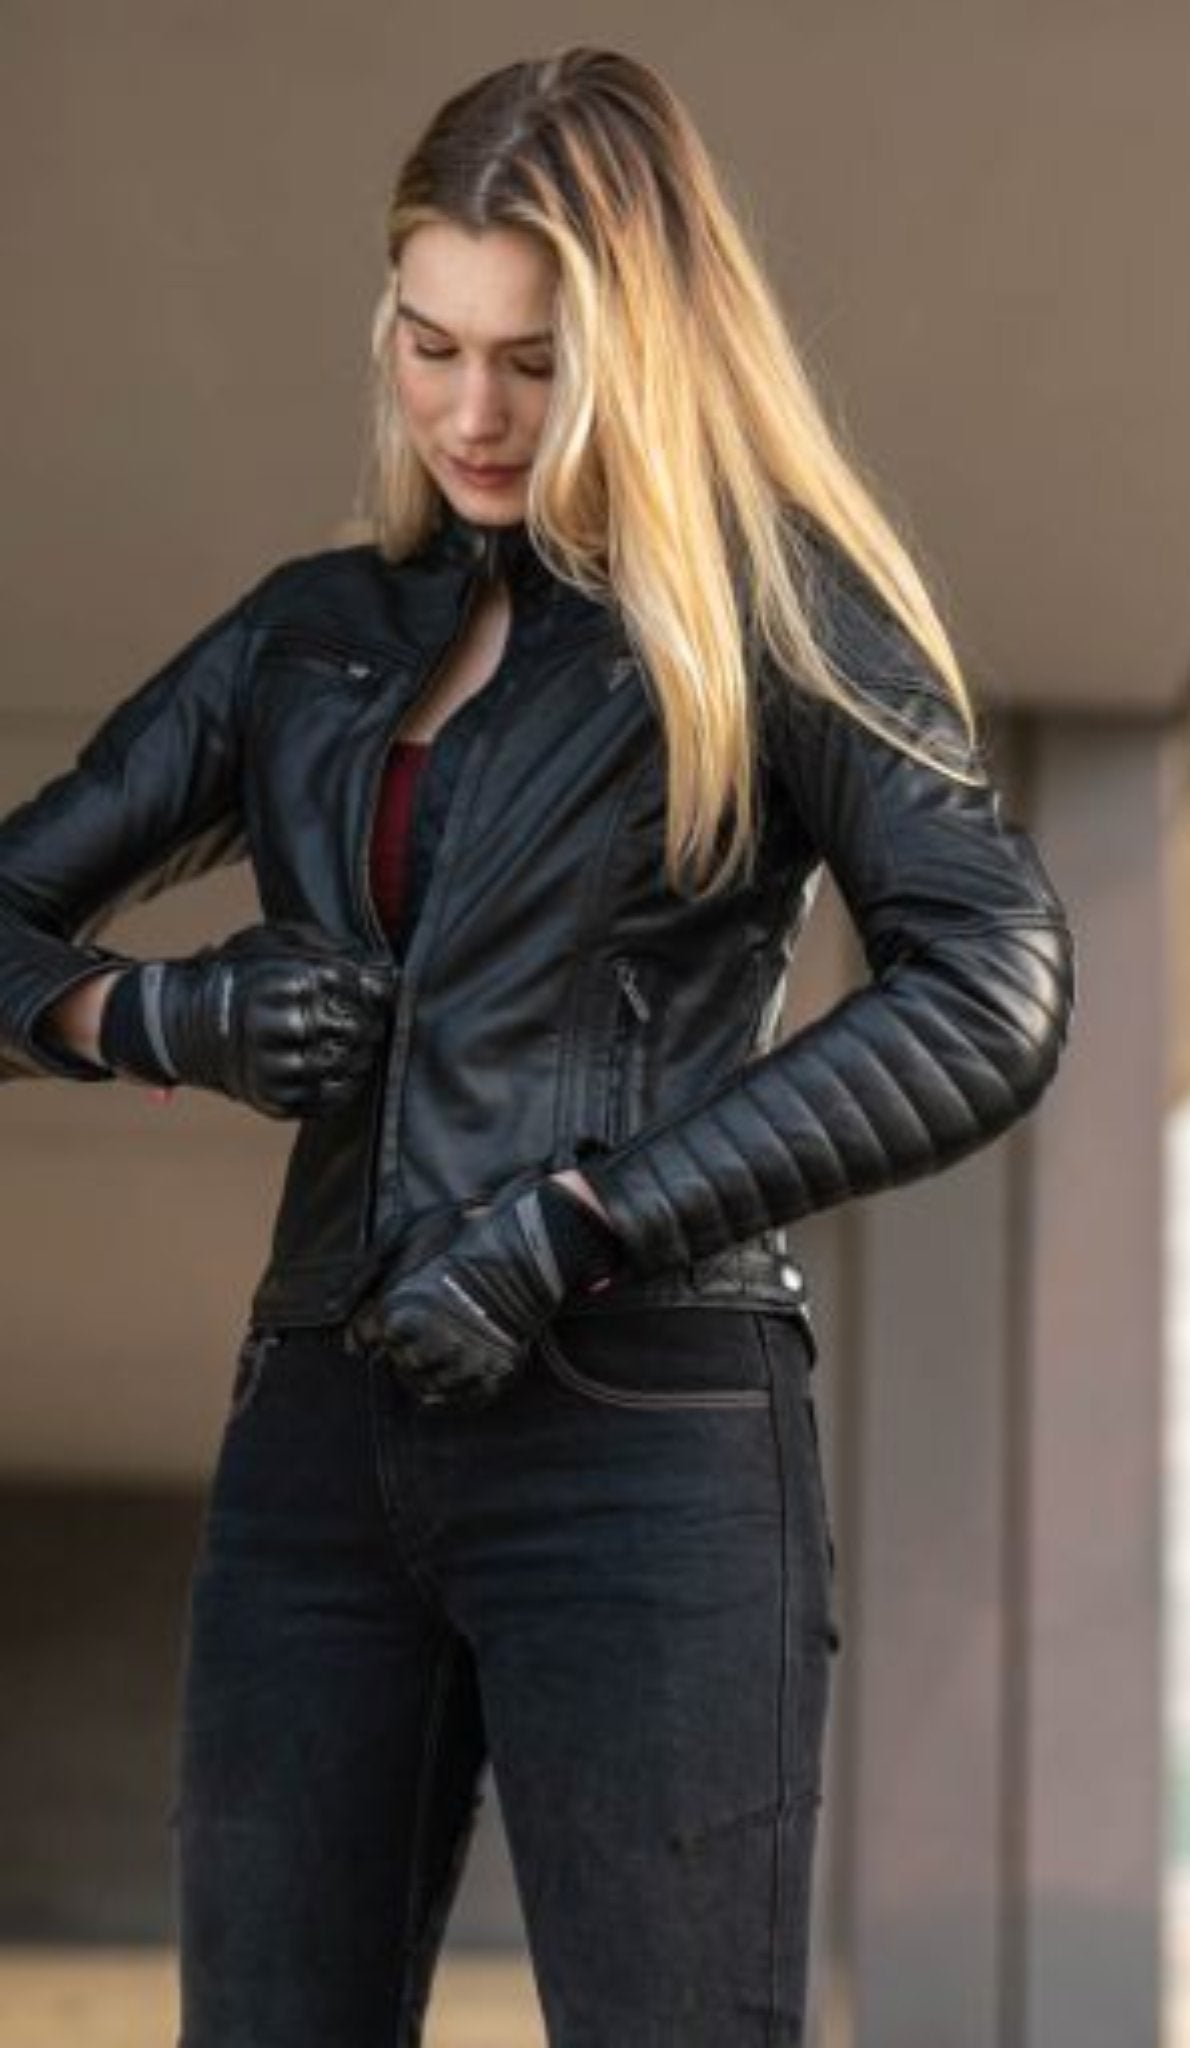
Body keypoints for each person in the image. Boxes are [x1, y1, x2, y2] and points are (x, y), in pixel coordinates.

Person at [0, 45, 1073, 2046]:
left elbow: (990, 988)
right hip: (319, 1436)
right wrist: (163, 1013)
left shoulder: (771, 615)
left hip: (644, 1433)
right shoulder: (307, 634)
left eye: (535, 361)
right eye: (431, 344)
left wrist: (586, 1217)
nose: (472, 412)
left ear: (646, 350)